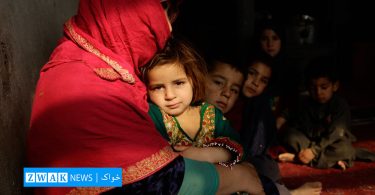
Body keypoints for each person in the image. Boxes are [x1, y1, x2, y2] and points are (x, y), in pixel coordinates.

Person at [26, 0, 264, 194]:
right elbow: (47, 178)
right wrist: (236, 177)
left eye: (171, 12)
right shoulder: (83, 78)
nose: (168, 28)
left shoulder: (92, 63)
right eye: (162, 6)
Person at [143, 38, 270, 195]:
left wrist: (210, 154)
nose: (170, 95)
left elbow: (240, 148)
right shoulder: (153, 115)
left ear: (194, 80)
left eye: (179, 83)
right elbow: (118, 175)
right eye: (158, 87)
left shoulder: (210, 113)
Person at [206, 54, 323, 195]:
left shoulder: (258, 106)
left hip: (243, 161)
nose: (227, 93)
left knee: (264, 167)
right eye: (251, 74)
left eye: (263, 80)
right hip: (210, 172)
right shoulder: (196, 113)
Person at [278, 56, 375, 170]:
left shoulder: (340, 105)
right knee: (289, 136)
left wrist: (313, 151)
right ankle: (330, 160)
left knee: (345, 149)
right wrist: (280, 120)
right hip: (310, 140)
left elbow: (336, 133)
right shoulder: (305, 100)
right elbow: (289, 111)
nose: (318, 92)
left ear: (335, 86)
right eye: (313, 88)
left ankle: (298, 158)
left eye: (324, 87)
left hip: (332, 142)